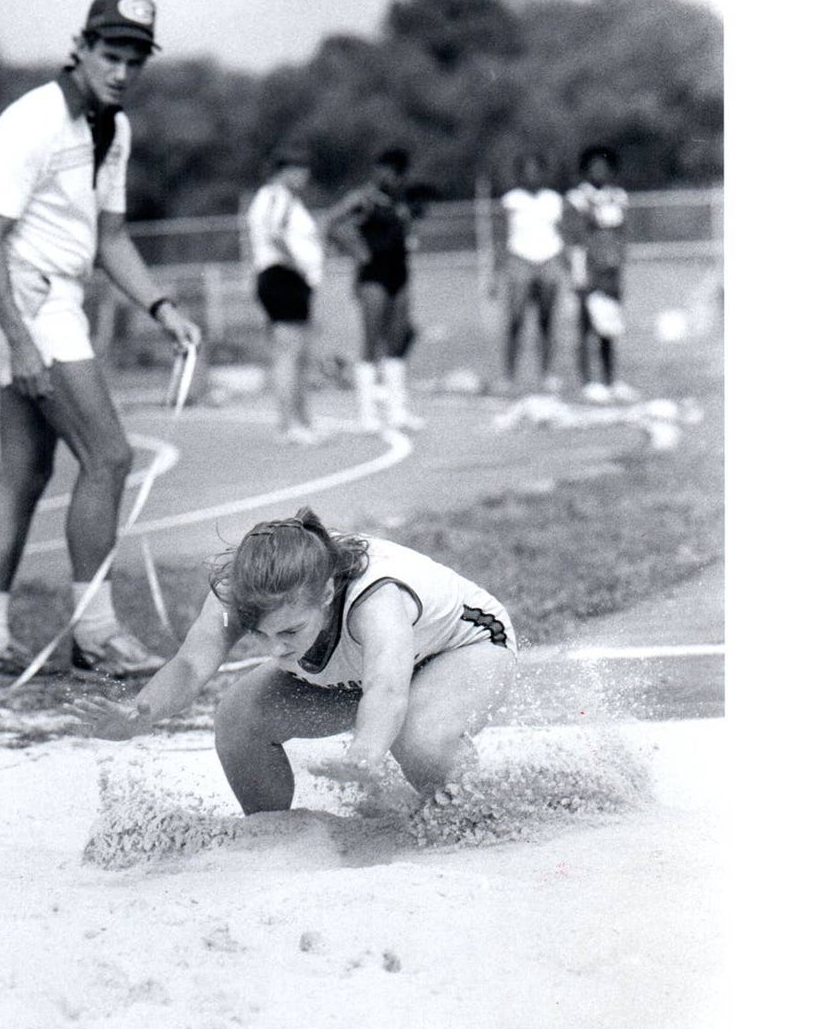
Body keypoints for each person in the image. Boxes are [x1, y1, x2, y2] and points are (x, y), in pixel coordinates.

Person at [0, 0, 202, 680]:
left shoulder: (113, 129)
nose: (121, 71)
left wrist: (160, 307)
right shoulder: (32, 120)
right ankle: (95, 637)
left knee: (26, 470)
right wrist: (23, 340)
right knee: (110, 457)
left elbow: (110, 238)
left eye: (134, 60)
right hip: (24, 303)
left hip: (55, 299)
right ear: (82, 47)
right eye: (109, 55)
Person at [70, 508, 518, 814]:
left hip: (463, 647)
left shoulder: (376, 599)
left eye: (289, 632)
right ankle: (273, 835)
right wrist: (142, 712)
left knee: (415, 736)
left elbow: (385, 687)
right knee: (239, 717)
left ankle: (475, 814)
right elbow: (191, 664)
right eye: (260, 633)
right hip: (366, 667)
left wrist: (364, 752)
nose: (276, 651)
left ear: (326, 594)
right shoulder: (242, 590)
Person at [323, 147, 424, 433]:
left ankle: (397, 411)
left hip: (399, 274)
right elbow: (331, 222)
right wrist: (356, 250)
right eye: (381, 170)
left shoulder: (402, 201)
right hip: (372, 277)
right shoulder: (363, 198)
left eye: (392, 172)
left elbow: (407, 232)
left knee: (397, 341)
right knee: (370, 343)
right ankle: (367, 414)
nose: (385, 176)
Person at [244, 148, 326, 444]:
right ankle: (289, 424)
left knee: (300, 355)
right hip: (281, 276)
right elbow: (275, 234)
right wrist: (300, 266)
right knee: (288, 354)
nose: (305, 176)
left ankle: (303, 420)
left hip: (293, 279)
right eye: (301, 169)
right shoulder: (275, 196)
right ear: (286, 170)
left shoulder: (290, 200)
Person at [564, 145, 636, 404]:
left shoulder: (618, 197)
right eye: (594, 167)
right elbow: (574, 236)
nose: (599, 172)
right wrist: (578, 272)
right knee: (586, 325)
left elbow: (623, 233)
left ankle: (610, 379)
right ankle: (588, 381)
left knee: (609, 324)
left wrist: (617, 259)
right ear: (585, 170)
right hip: (587, 266)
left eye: (604, 167)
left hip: (611, 269)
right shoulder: (577, 198)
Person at [493, 152, 569, 396]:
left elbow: (563, 233)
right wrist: (496, 274)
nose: (531, 175)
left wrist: (568, 266)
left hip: (549, 260)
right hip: (520, 261)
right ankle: (508, 376)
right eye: (526, 170)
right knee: (515, 320)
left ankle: (548, 374)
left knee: (547, 321)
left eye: (536, 170)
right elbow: (501, 238)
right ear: (520, 174)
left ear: (543, 173)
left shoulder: (553, 200)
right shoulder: (512, 200)